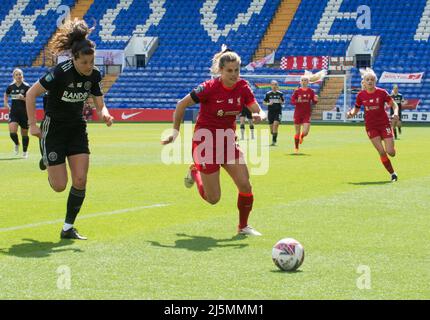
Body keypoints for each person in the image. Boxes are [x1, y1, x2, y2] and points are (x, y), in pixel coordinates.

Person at [161, 45, 266, 236]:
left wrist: (260, 115)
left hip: (227, 143)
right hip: (205, 143)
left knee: (245, 184)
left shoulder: (243, 87)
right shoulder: (208, 88)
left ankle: (243, 227)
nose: (234, 74)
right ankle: (195, 172)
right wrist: (175, 132)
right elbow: (181, 104)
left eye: (237, 70)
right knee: (213, 199)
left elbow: (257, 108)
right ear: (220, 70)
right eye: (229, 71)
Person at [26, 19, 114, 240]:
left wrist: (104, 113)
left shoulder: (93, 75)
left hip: (76, 129)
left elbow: (99, 102)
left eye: (92, 61)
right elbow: (31, 94)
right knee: (59, 186)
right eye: (84, 62)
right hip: (53, 129)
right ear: (74, 59)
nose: (89, 66)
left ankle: (67, 228)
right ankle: (46, 156)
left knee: (81, 180)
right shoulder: (60, 72)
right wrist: (33, 125)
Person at [346, 68, 399, 182]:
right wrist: (350, 114)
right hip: (371, 127)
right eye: (367, 79)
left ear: (375, 81)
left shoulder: (382, 92)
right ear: (364, 82)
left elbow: (394, 105)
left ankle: (392, 145)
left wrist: (395, 113)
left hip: (384, 124)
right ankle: (393, 174)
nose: (370, 81)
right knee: (381, 152)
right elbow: (356, 109)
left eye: (372, 79)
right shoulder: (361, 95)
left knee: (391, 152)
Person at [290, 71, 324, 153]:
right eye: (302, 80)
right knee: (297, 132)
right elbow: (292, 102)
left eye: (305, 80)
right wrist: (297, 101)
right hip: (297, 114)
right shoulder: (297, 91)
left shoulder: (311, 91)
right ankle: (296, 148)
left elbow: (314, 101)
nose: (304, 82)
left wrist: (316, 100)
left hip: (306, 114)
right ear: (300, 82)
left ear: (308, 82)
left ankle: (302, 136)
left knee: (305, 132)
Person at [4, 68, 31, 158]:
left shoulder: (27, 86)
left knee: (24, 134)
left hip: (24, 113)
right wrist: (6, 104)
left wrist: (23, 98)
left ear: (22, 75)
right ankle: (16, 144)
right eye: (17, 74)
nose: (19, 76)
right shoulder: (11, 86)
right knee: (12, 133)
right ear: (14, 76)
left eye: (20, 74)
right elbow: (6, 95)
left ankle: (25, 152)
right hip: (14, 113)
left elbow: (31, 100)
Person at [263, 80, 284, 146]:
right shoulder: (268, 94)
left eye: (275, 85)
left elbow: (283, 102)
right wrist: (269, 103)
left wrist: (281, 102)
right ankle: (274, 135)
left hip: (278, 112)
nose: (274, 86)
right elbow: (264, 103)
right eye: (273, 85)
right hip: (270, 112)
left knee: (275, 125)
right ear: (271, 86)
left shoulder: (280, 94)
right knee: (272, 130)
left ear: (277, 86)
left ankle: (274, 141)